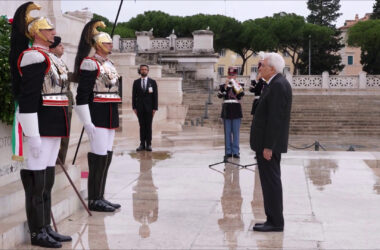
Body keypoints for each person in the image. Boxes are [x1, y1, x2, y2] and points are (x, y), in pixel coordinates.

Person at [9, 2, 72, 247]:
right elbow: (29, 97)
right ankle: (37, 233)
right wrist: (33, 135)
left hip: (55, 122)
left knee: (47, 179)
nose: (52, 32)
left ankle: (46, 226)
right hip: (41, 123)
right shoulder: (33, 56)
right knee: (36, 181)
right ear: (36, 33)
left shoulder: (49, 56)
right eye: (48, 30)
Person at [74, 20, 121, 212]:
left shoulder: (109, 63)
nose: (111, 46)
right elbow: (82, 95)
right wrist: (87, 121)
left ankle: (100, 195)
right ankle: (93, 199)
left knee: (106, 157)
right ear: (99, 45)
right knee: (99, 156)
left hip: (110, 114)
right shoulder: (90, 64)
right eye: (108, 43)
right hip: (97, 114)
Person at [250, 52, 292, 232]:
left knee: (271, 182)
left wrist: (269, 146)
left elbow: (276, 119)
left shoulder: (278, 85)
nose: (260, 68)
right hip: (266, 143)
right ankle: (271, 219)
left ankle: (275, 222)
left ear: (272, 68)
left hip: (269, 145)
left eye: (263, 65)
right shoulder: (273, 83)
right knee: (268, 182)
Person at [49, 36, 73, 165]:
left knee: (65, 137)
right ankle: (54, 161)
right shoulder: (51, 63)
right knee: (57, 136)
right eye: (59, 46)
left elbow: (69, 78)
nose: (62, 47)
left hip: (67, 103)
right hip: (57, 103)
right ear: (52, 49)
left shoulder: (61, 63)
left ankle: (61, 161)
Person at [217, 67, 244, 158]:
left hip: (236, 110)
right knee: (227, 132)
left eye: (233, 75)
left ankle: (236, 152)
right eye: (230, 75)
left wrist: (234, 84)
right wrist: (225, 85)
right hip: (226, 110)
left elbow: (241, 95)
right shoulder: (223, 85)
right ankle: (228, 151)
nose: (231, 76)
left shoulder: (239, 85)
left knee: (236, 132)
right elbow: (219, 95)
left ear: (236, 75)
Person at [132, 64, 158, 152]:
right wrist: (134, 107)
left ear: (148, 71)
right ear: (140, 71)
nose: (144, 71)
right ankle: (142, 144)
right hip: (139, 108)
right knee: (142, 126)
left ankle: (149, 144)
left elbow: (155, 96)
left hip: (149, 108)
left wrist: (155, 108)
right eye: (142, 69)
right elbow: (133, 96)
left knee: (149, 126)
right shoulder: (136, 82)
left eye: (145, 69)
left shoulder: (152, 82)